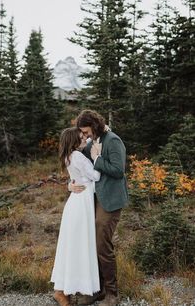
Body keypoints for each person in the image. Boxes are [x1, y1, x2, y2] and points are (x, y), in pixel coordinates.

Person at [70, 109, 129, 306]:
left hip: (110, 200)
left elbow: (118, 171)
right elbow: (77, 165)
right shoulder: (91, 142)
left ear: (94, 126)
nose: (85, 136)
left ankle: (112, 293)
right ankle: (97, 289)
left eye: (86, 132)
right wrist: (69, 184)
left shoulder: (113, 141)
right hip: (92, 198)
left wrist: (97, 159)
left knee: (102, 244)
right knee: (91, 243)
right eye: (83, 133)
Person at [51, 127, 101, 306]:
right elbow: (95, 175)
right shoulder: (78, 156)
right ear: (73, 140)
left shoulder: (68, 155)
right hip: (81, 204)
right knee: (79, 245)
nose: (83, 139)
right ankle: (63, 291)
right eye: (80, 137)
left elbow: (76, 178)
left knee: (72, 246)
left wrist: (69, 185)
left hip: (76, 202)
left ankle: (65, 289)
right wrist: (97, 158)